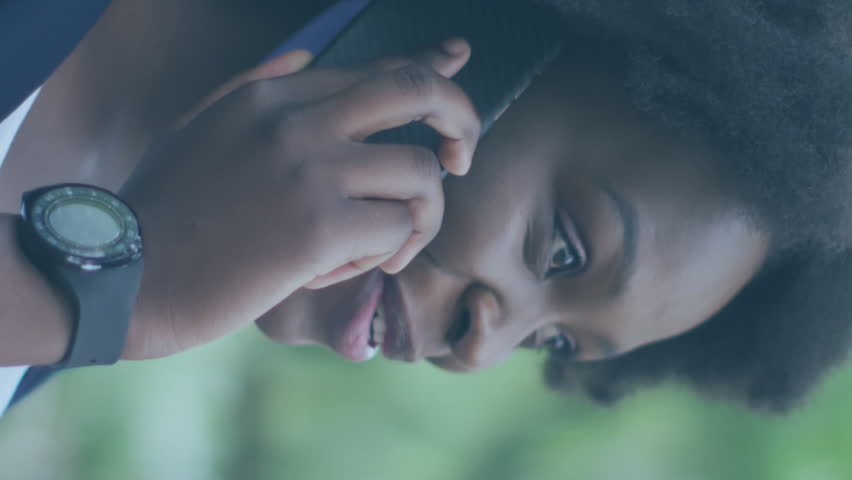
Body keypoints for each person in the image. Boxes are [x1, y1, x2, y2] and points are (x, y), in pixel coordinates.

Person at [2, 0, 851, 416]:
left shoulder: (56, 334)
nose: (479, 348)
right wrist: (107, 300)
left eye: (553, 341)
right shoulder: (83, 307)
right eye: (562, 251)